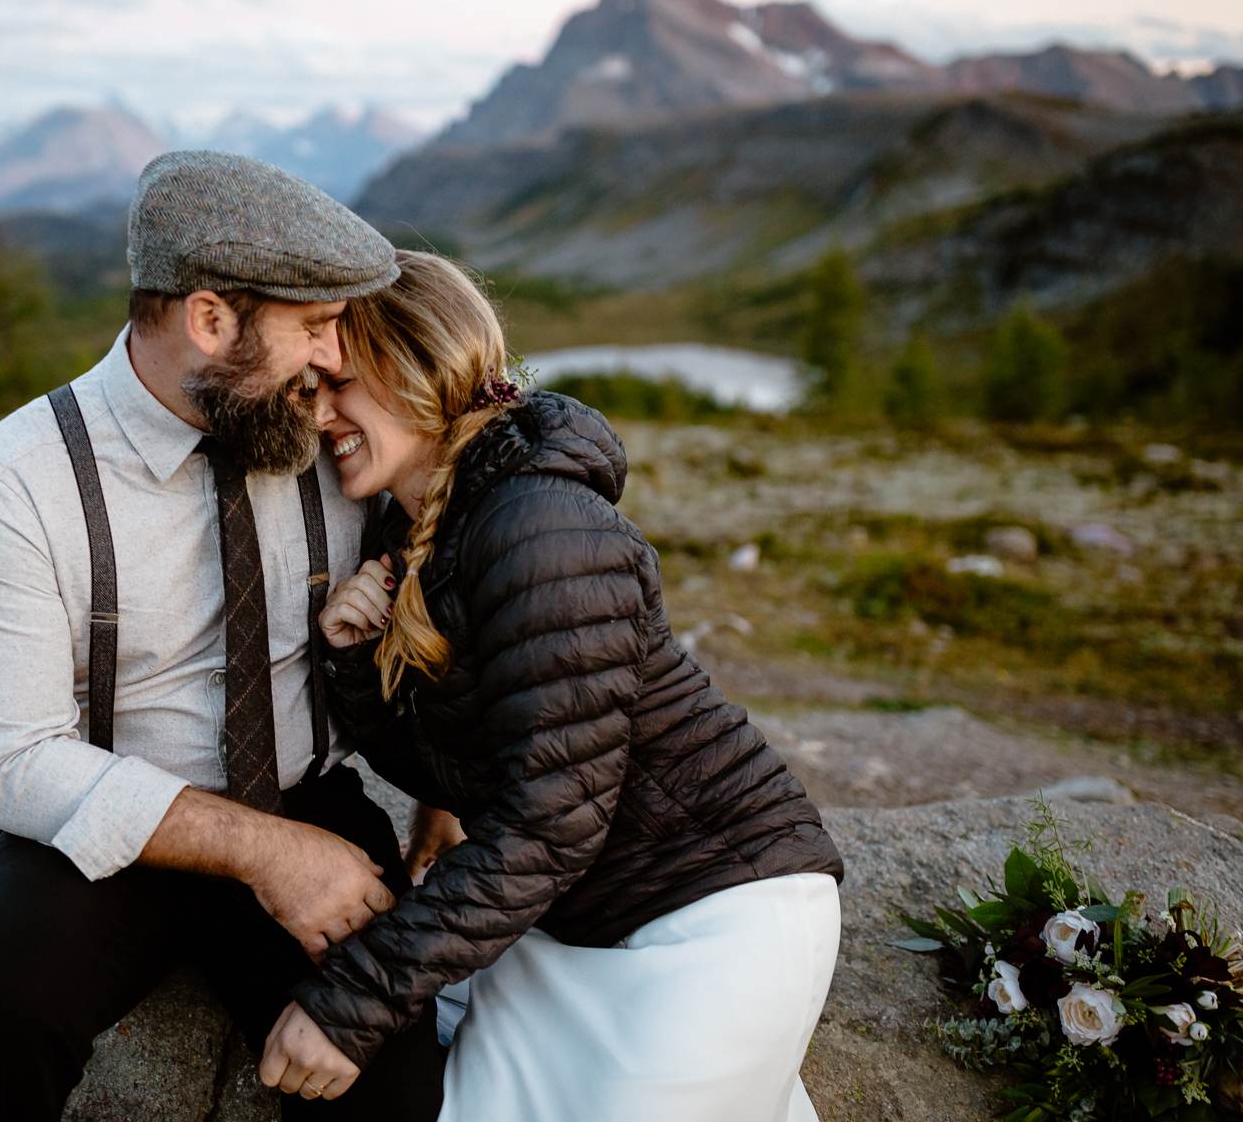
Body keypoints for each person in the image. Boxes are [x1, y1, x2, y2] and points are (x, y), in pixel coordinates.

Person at [0, 153, 446, 1122]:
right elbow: (13, 762)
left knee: (393, 1073)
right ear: (210, 321)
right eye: (315, 328)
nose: (337, 362)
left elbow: (458, 552)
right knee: (0, 1020)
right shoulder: (17, 482)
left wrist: (455, 789)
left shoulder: (328, 434)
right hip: (111, 823)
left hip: (310, 799)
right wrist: (270, 854)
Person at [260, 249, 846, 1120]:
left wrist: (353, 1005)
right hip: (565, 930)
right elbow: (463, 771)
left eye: (339, 384)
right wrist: (351, 657)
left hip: (714, 916)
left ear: (417, 362)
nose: (323, 417)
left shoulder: (544, 528)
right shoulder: (418, 525)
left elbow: (553, 818)